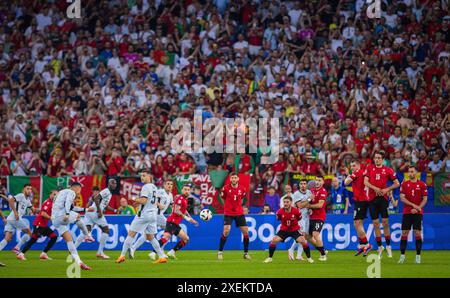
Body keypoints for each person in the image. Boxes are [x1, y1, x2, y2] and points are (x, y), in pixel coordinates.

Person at [116, 169, 167, 264]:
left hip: (144, 214)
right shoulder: (154, 187)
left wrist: (134, 198)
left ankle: (122, 255)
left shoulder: (146, 187)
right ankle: (161, 256)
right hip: (153, 214)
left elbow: (144, 200)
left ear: (149, 176)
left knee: (131, 234)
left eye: (144, 175)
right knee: (151, 237)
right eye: (141, 175)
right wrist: (138, 202)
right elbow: (150, 201)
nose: (142, 177)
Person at [364, 150, 400, 259]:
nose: (377, 159)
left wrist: (386, 189)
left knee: (385, 222)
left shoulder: (387, 170)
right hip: (372, 198)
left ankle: (388, 246)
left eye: (379, 158)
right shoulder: (370, 168)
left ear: (383, 160)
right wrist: (375, 188)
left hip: (383, 199)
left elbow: (397, 183)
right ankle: (380, 247)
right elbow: (365, 182)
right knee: (375, 223)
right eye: (376, 157)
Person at [51, 182, 93, 270]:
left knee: (69, 239)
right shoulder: (71, 192)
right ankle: (87, 235)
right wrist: (67, 214)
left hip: (54, 220)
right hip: (62, 215)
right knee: (78, 217)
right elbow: (68, 203)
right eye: (80, 188)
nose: (79, 191)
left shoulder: (61, 194)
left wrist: (86, 209)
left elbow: (72, 208)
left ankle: (79, 262)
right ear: (77, 187)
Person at [74, 179, 118, 259]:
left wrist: (114, 210)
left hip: (91, 212)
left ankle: (73, 250)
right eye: (113, 183)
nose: (114, 184)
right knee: (106, 230)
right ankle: (100, 252)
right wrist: (99, 211)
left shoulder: (109, 193)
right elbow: (96, 198)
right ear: (109, 184)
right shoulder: (106, 191)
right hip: (95, 212)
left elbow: (105, 205)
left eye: (115, 183)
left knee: (85, 232)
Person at [132, 179, 174, 260]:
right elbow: (152, 200)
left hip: (158, 215)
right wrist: (159, 204)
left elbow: (172, 205)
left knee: (148, 235)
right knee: (170, 229)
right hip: (155, 214)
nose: (169, 186)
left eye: (171, 184)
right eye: (168, 184)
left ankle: (133, 248)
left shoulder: (170, 195)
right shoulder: (160, 192)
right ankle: (159, 251)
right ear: (164, 185)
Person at [263, 196, 313, 263]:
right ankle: (270, 258)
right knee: (274, 240)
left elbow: (299, 218)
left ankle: (309, 258)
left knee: (303, 241)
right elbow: (278, 218)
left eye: (287, 202)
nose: (285, 203)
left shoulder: (296, 211)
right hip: (284, 230)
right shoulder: (279, 212)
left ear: (291, 203)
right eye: (284, 202)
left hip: (294, 229)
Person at [155, 183, 199, 259]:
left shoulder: (185, 199)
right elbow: (176, 211)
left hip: (175, 223)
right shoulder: (180, 198)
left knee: (186, 239)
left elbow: (184, 211)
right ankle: (153, 252)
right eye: (185, 189)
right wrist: (187, 218)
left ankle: (171, 252)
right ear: (181, 190)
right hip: (172, 221)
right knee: (165, 238)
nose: (187, 191)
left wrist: (191, 219)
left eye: (188, 190)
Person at [16, 190, 59, 260]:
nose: (55, 196)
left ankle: (44, 254)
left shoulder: (52, 203)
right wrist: (51, 218)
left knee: (54, 237)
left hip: (43, 225)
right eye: (54, 194)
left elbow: (42, 211)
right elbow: (43, 214)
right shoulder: (48, 202)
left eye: (57, 195)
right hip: (39, 224)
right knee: (34, 239)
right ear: (50, 194)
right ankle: (21, 254)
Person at [217, 173, 251, 260]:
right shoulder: (225, 188)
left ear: (238, 179)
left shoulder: (242, 189)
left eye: (235, 178)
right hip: (228, 213)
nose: (234, 179)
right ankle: (220, 252)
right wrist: (227, 206)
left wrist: (238, 206)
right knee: (226, 231)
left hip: (239, 213)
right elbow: (222, 198)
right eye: (232, 178)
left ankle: (246, 253)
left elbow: (242, 199)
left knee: (245, 232)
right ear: (230, 179)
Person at [398, 166, 428, 264]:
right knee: (404, 233)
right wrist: (413, 205)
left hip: (418, 213)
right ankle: (402, 256)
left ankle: (418, 256)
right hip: (407, 212)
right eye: (409, 172)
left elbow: (425, 199)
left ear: (416, 173)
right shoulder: (404, 184)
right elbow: (402, 198)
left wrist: (418, 208)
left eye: (412, 172)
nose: (410, 173)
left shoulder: (422, 184)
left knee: (417, 233)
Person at [344, 160, 372, 256]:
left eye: (354, 165)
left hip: (361, 201)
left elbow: (346, 182)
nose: (352, 167)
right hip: (361, 200)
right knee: (357, 224)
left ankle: (367, 244)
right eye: (351, 165)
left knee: (357, 223)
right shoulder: (362, 172)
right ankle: (362, 245)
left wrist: (348, 175)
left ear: (358, 166)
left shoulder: (357, 172)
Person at [0, 185, 37, 254]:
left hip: (10, 219)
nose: (29, 190)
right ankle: (17, 248)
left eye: (30, 189)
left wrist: (43, 209)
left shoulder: (27, 200)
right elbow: (11, 200)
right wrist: (15, 212)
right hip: (15, 218)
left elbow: (34, 210)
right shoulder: (21, 195)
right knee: (29, 232)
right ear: (24, 189)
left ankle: (16, 248)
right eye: (27, 189)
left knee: (7, 239)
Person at [288, 179, 313, 260]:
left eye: (304, 183)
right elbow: (300, 206)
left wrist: (310, 209)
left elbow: (309, 204)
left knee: (304, 236)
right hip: (299, 218)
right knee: (301, 235)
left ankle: (299, 255)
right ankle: (291, 249)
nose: (303, 185)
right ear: (299, 185)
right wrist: (309, 199)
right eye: (301, 184)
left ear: (307, 185)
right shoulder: (296, 194)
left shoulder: (309, 192)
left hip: (306, 217)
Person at [307, 176, 328, 261]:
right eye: (316, 180)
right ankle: (322, 250)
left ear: (323, 182)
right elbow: (307, 201)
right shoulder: (311, 191)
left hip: (319, 217)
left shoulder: (323, 191)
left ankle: (323, 255)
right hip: (311, 217)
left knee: (315, 234)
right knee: (308, 236)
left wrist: (309, 206)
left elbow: (320, 205)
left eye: (319, 180)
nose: (317, 182)